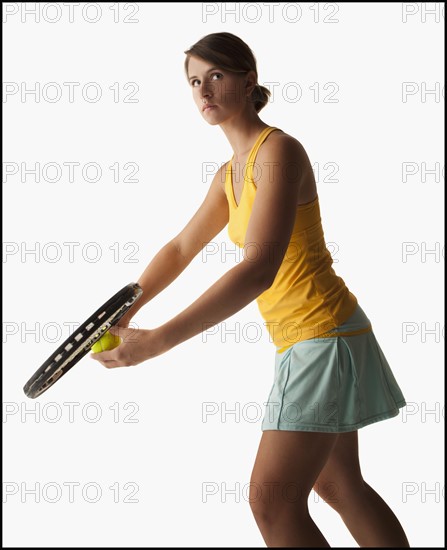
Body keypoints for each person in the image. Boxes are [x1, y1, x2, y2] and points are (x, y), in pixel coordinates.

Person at [91, 32, 410, 547]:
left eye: (216, 75)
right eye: (195, 81)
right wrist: (128, 309)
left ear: (248, 79)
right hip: (316, 340)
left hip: (322, 339)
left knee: (271, 503)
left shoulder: (278, 152)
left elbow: (259, 267)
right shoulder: (229, 175)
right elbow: (178, 249)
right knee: (340, 483)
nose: (204, 90)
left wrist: (159, 341)